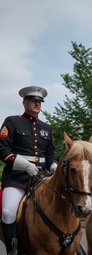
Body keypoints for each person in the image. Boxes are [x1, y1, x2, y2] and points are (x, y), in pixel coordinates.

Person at [0, 86, 57, 254]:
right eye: (33, 101)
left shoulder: (47, 127)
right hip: (17, 178)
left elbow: (50, 154)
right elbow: (3, 150)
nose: (37, 104)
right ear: (24, 102)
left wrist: (54, 165)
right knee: (8, 212)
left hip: (42, 178)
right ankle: (11, 249)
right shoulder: (12, 121)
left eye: (39, 101)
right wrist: (24, 165)